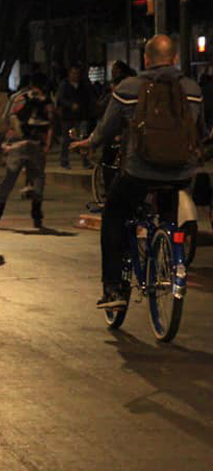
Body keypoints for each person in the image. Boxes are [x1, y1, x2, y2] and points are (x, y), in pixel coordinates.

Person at [71, 35, 204, 309]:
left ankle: (114, 289)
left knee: (114, 214)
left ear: (145, 59)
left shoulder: (128, 88)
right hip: (181, 172)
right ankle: (169, 247)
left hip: (139, 172)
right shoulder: (192, 89)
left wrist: (88, 143)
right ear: (175, 58)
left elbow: (106, 129)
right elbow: (201, 130)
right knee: (168, 208)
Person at [0, 74, 54, 229]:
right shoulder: (48, 100)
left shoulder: (18, 98)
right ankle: (36, 214)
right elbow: (51, 123)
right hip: (37, 144)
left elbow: (7, 118)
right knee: (38, 178)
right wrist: (47, 144)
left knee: (9, 180)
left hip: (18, 144)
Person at [57, 64, 94, 169]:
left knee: (83, 139)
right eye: (73, 73)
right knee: (66, 140)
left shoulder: (83, 86)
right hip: (68, 117)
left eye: (77, 73)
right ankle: (64, 162)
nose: (75, 75)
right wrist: (70, 105)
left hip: (81, 116)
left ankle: (86, 162)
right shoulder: (64, 85)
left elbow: (87, 98)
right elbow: (61, 99)